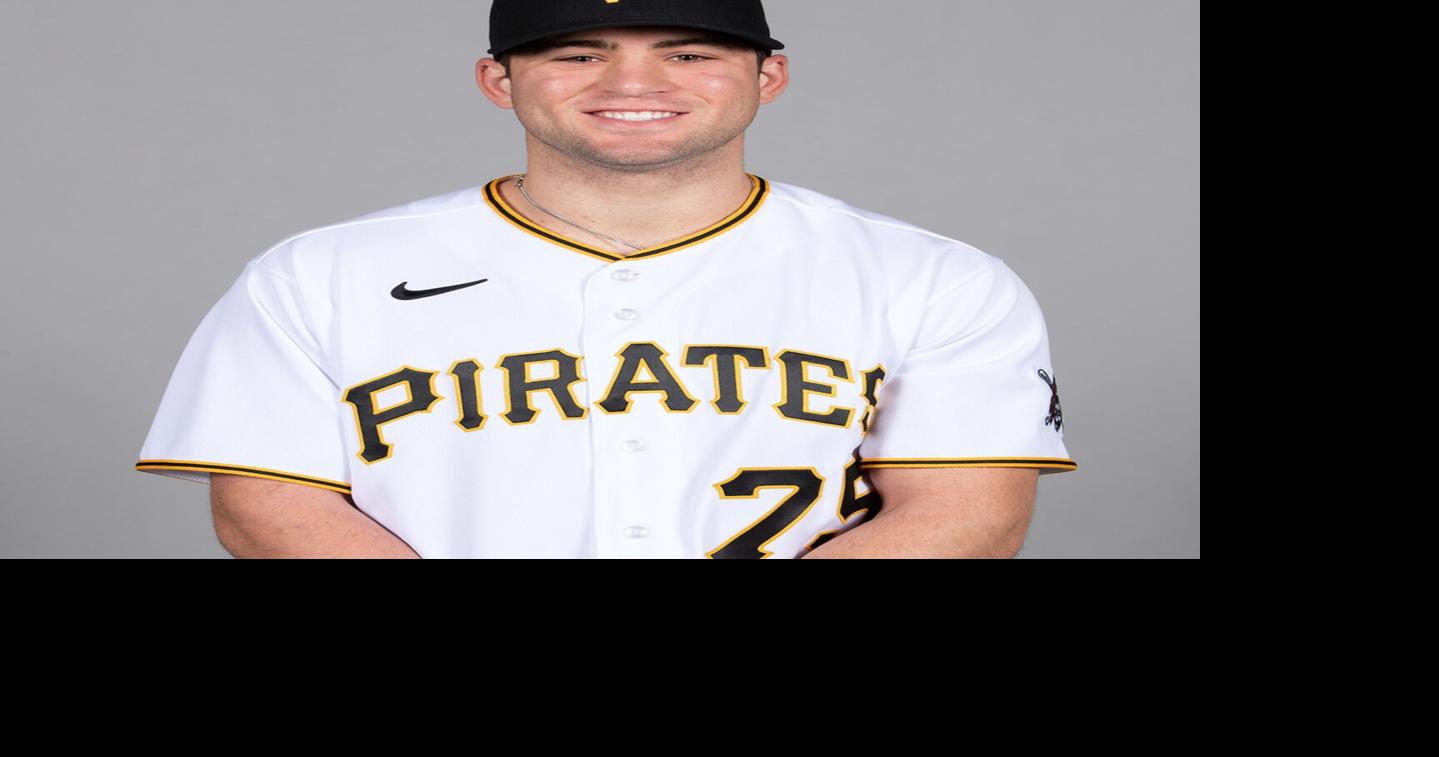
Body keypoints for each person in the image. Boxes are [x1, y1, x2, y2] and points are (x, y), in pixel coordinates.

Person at [135, 0, 1077, 559]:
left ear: (769, 77)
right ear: (499, 81)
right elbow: (268, 508)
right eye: (576, 51)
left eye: (690, 52)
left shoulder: (934, 277)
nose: (632, 80)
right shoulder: (321, 272)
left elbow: (966, 517)